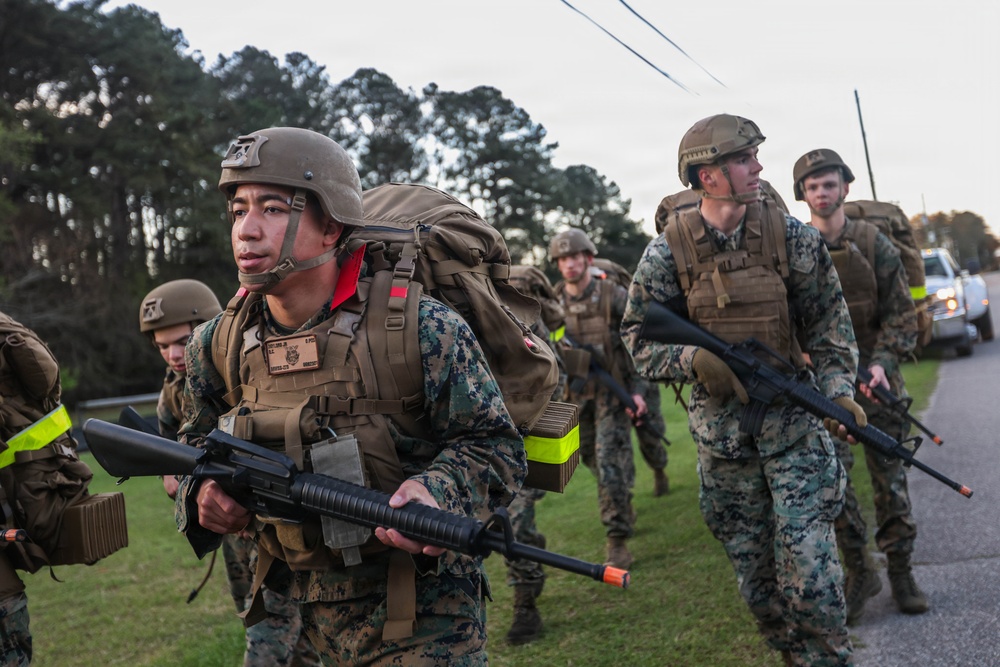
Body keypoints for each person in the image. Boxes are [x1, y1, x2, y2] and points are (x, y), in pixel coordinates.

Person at [173, 126, 524, 665]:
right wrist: (200, 495)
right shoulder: (216, 343)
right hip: (298, 615)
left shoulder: (421, 329)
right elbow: (193, 446)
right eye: (238, 210)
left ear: (332, 225)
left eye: (272, 208)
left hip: (423, 613)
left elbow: (495, 445)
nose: (246, 230)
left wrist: (436, 490)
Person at [621, 114, 860, 666]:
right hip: (724, 444)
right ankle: (792, 655)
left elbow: (828, 324)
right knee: (759, 589)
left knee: (815, 579)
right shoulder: (666, 254)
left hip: (795, 427)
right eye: (744, 158)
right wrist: (692, 358)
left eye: (755, 156)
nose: (758, 167)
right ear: (707, 176)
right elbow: (634, 339)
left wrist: (839, 390)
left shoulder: (791, 238)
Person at [139, 280, 319, 666]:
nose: (173, 355)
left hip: (276, 521)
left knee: (269, 633)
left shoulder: (247, 367)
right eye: (162, 346)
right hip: (231, 527)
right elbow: (170, 442)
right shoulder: (174, 388)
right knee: (259, 618)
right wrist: (173, 476)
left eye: (182, 340)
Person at [793, 148, 927, 624]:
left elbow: (900, 312)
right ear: (803, 196)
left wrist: (883, 363)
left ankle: (902, 573)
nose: (822, 193)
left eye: (829, 184)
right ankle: (858, 572)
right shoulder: (797, 247)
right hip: (827, 387)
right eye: (812, 187)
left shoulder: (874, 242)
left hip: (876, 378)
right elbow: (791, 323)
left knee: (890, 479)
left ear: (845, 188)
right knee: (836, 481)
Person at [550, 229, 646, 570]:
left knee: (608, 461)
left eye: (575, 256)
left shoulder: (612, 295)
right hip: (575, 395)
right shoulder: (553, 302)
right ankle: (620, 497)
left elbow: (637, 342)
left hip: (610, 392)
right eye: (563, 259)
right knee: (588, 456)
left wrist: (636, 390)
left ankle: (617, 539)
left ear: (588, 258)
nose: (570, 264)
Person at [501, 265, 567, 645]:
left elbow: (553, 375)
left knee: (516, 522)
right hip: (462, 439)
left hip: (519, 438)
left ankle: (525, 600)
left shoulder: (519, 317)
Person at [590, 259, 670, 496]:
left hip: (639, 374)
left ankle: (659, 470)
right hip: (610, 385)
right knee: (611, 445)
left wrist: (639, 389)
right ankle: (622, 493)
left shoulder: (620, 300)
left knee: (650, 435)